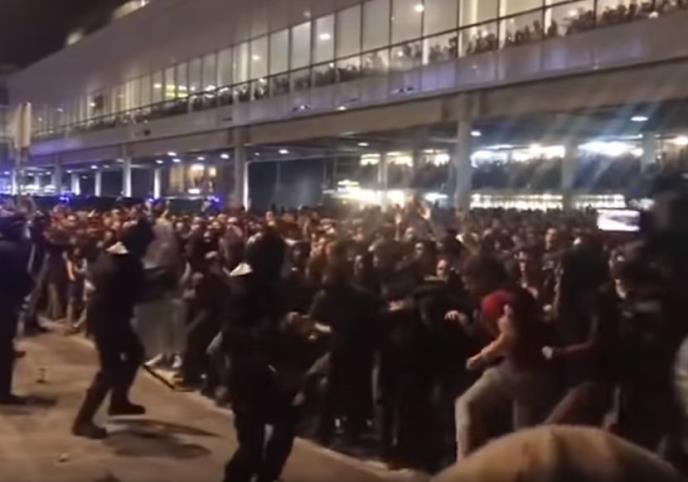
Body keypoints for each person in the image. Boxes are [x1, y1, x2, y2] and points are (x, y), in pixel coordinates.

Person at [72, 219, 155, 439]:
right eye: (145, 243)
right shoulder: (129, 263)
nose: (147, 248)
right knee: (110, 369)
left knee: (135, 352)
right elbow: (138, 294)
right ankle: (82, 421)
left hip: (105, 315)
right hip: (110, 319)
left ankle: (119, 401)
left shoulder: (109, 253)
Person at [0, 214, 34, 405]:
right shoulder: (13, 251)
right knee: (4, 352)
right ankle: (3, 393)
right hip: (5, 306)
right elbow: (24, 282)